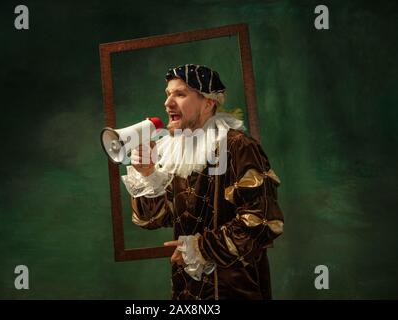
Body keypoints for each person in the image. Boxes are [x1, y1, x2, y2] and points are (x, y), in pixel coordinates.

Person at [121, 64, 284, 300]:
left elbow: (264, 221)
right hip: (186, 291)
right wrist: (147, 174)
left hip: (234, 290)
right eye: (168, 94)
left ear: (208, 103)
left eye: (180, 94)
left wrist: (201, 248)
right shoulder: (173, 151)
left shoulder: (238, 146)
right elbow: (153, 219)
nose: (168, 103)